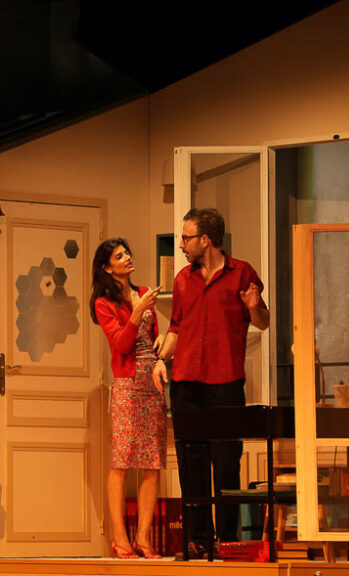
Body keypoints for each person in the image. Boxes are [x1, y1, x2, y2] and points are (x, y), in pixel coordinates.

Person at [152, 208, 269, 555]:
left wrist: (253, 306)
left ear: (205, 240)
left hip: (225, 383)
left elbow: (262, 321)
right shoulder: (182, 279)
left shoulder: (242, 273)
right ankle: (198, 541)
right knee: (192, 466)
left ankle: (227, 542)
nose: (181, 245)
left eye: (186, 238)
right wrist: (161, 360)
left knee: (226, 464)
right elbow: (176, 328)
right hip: (186, 383)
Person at [90, 237, 166, 559]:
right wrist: (137, 311)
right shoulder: (104, 303)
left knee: (152, 462)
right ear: (107, 268)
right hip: (126, 384)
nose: (128, 258)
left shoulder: (143, 292)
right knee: (122, 460)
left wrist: (162, 350)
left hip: (153, 383)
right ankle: (120, 538)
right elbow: (121, 344)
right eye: (119, 256)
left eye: (127, 253)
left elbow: (153, 337)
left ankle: (143, 538)